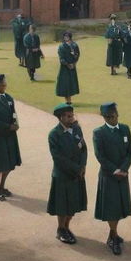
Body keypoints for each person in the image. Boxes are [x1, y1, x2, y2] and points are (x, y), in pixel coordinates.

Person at [93, 102, 131, 255]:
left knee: (120, 206)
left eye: (114, 115)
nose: (112, 118)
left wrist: (124, 168)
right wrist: (115, 170)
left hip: (122, 175)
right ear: (104, 117)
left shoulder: (125, 129)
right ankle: (113, 236)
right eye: (108, 116)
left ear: (118, 113)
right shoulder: (99, 133)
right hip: (109, 176)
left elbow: (130, 151)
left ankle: (113, 234)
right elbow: (100, 156)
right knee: (111, 208)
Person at [47, 103, 87, 245]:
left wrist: (83, 167)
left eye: (72, 115)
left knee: (74, 204)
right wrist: (77, 169)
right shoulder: (54, 134)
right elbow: (58, 158)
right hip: (63, 175)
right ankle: (61, 229)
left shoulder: (77, 129)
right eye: (68, 116)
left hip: (77, 174)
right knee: (62, 206)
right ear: (61, 117)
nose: (72, 118)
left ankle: (66, 227)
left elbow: (84, 149)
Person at [56, 31, 80, 104]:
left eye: (67, 36)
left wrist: (74, 63)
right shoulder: (62, 46)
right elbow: (61, 58)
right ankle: (68, 100)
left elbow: (77, 54)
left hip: (72, 67)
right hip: (65, 68)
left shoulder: (74, 45)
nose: (66, 38)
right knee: (65, 83)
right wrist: (68, 64)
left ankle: (69, 99)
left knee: (71, 83)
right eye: (65, 36)